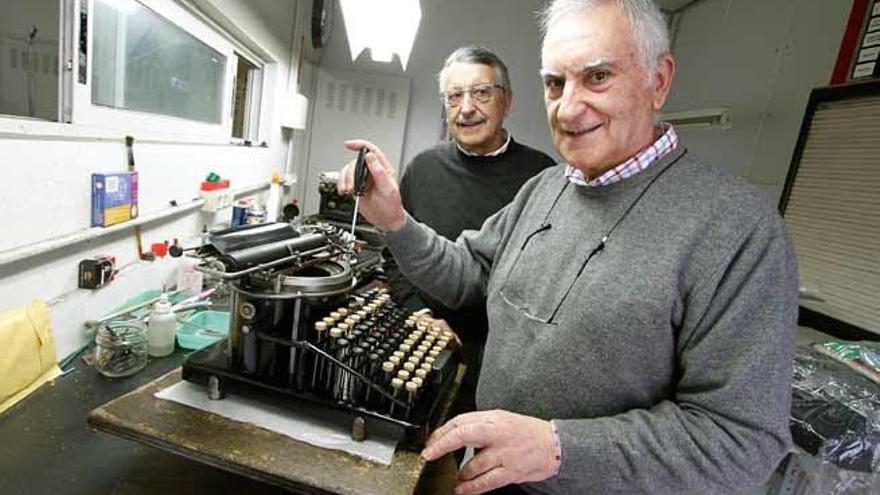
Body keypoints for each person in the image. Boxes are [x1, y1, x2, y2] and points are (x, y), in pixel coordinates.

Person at [338, 0, 798, 494]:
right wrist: (394, 220)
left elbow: (740, 440)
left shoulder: (737, 229)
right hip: (490, 480)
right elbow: (469, 271)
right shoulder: (546, 188)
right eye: (555, 83)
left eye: (598, 77)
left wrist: (558, 449)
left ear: (658, 80)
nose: (569, 106)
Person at [386, 45, 556, 421]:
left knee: (487, 466)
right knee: (418, 452)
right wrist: (421, 313)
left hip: (503, 361)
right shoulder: (422, 168)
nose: (466, 108)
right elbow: (394, 260)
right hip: (425, 345)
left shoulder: (542, 178)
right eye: (454, 96)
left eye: (481, 93)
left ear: (506, 100)